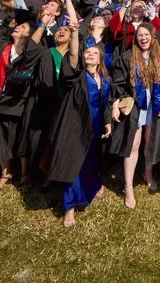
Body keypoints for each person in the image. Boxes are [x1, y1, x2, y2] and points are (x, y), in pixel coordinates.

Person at [0, 6, 51, 195]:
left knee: (21, 136)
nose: (17, 28)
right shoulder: (3, 46)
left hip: (21, 100)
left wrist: (42, 25)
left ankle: (24, 173)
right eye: (18, 25)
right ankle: (6, 173)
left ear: (30, 34)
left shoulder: (36, 51)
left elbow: (31, 50)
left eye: (23, 27)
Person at [48, 45, 111, 227]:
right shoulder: (77, 76)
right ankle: (69, 207)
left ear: (100, 59)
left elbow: (106, 103)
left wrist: (107, 122)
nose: (90, 55)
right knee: (73, 165)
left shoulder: (105, 80)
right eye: (87, 52)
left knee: (90, 162)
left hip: (95, 127)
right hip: (76, 126)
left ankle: (90, 188)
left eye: (94, 53)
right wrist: (75, 32)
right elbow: (74, 55)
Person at [109, 22, 160, 208]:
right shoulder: (128, 57)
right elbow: (117, 83)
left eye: (146, 35)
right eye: (140, 35)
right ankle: (128, 187)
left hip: (155, 105)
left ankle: (148, 173)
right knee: (133, 144)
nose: (143, 38)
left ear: (152, 37)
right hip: (136, 106)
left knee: (150, 142)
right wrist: (116, 102)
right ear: (135, 38)